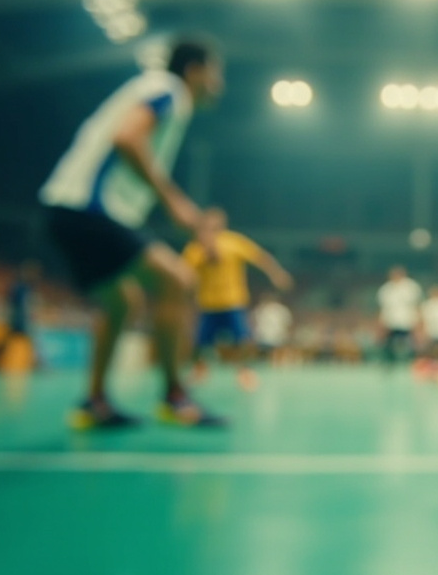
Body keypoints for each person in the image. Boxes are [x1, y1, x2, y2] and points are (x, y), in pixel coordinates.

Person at [39, 36, 226, 429]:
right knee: (178, 280)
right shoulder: (168, 89)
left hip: (64, 209)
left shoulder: (162, 93)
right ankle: (175, 397)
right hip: (88, 208)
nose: (219, 82)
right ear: (194, 71)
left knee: (122, 303)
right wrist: (172, 200)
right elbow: (127, 137)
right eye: (215, 72)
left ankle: (94, 403)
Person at [182, 208, 293, 390]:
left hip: (233, 302)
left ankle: (245, 371)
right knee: (199, 342)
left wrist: (277, 273)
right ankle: (199, 369)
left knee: (244, 340)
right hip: (208, 304)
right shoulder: (195, 248)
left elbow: (260, 257)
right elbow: (185, 274)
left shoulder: (233, 242)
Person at [0, 261, 42, 371]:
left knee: (31, 342)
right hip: (16, 319)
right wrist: (8, 318)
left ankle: (36, 364)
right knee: (7, 341)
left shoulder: (29, 289)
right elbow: (11, 304)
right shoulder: (18, 287)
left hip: (24, 321)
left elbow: (29, 307)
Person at [378, 266, 422, 366]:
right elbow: (383, 309)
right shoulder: (386, 289)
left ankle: (413, 363)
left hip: (408, 320)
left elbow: (417, 305)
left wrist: (418, 323)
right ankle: (389, 363)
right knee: (388, 344)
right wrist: (381, 324)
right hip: (391, 321)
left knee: (412, 344)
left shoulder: (411, 287)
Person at [253, 292, 295, 366]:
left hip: (270, 337)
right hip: (268, 338)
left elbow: (253, 323)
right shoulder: (261, 309)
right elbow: (288, 324)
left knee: (275, 353)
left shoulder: (261, 309)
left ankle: (275, 363)